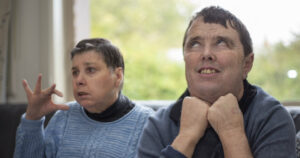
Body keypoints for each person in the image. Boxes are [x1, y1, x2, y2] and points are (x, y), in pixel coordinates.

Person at [136, 6, 296, 158]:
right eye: (195, 44)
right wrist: (186, 138)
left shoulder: (272, 118)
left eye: (221, 43)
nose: (206, 54)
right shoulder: (159, 125)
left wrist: (232, 133)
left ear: (247, 64)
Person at [14, 38, 153, 158]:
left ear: (117, 76)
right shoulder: (64, 116)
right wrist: (32, 119)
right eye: (75, 72)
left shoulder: (148, 123)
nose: (79, 80)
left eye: (90, 70)